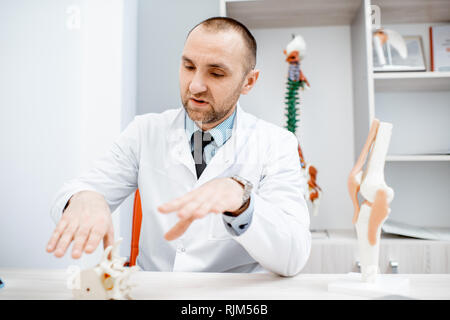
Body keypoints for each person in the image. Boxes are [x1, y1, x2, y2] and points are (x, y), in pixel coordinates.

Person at [46, 16, 311, 276]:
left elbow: (293, 256)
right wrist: (85, 198)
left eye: (216, 73)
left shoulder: (276, 144)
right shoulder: (145, 132)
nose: (195, 85)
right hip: (156, 293)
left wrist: (242, 201)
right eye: (188, 67)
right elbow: (76, 189)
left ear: (248, 82)